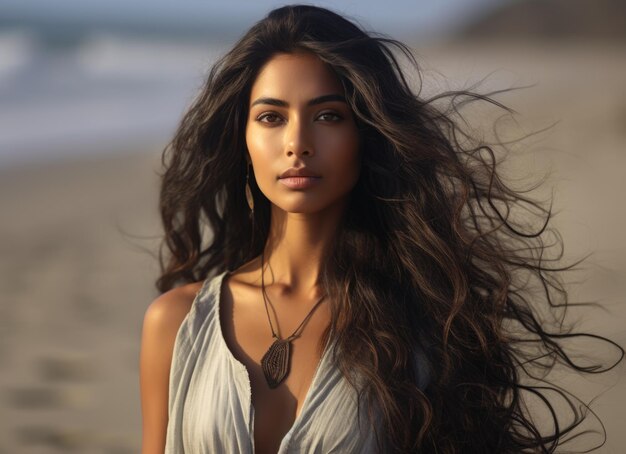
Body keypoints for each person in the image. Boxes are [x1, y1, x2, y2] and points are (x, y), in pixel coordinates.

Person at [139, 5, 623, 453]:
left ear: (365, 134)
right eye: (271, 117)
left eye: (328, 116)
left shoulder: (423, 328)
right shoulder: (177, 323)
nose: (297, 143)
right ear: (242, 138)